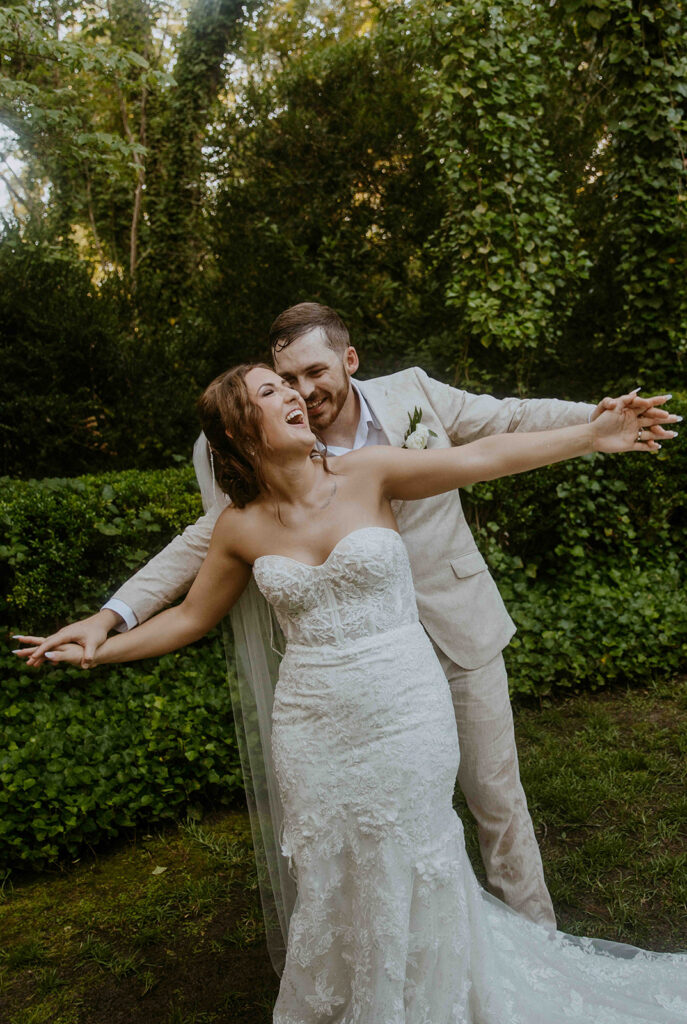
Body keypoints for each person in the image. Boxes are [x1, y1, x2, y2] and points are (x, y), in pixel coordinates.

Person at [14, 364, 685, 1023]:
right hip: (310, 723)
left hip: (403, 707)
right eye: (270, 392)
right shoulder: (239, 527)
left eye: (288, 386)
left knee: (411, 852)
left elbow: (484, 454)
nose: (295, 396)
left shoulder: (368, 473)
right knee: (333, 871)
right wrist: (101, 643)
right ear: (242, 435)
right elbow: (190, 617)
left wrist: (588, 434)